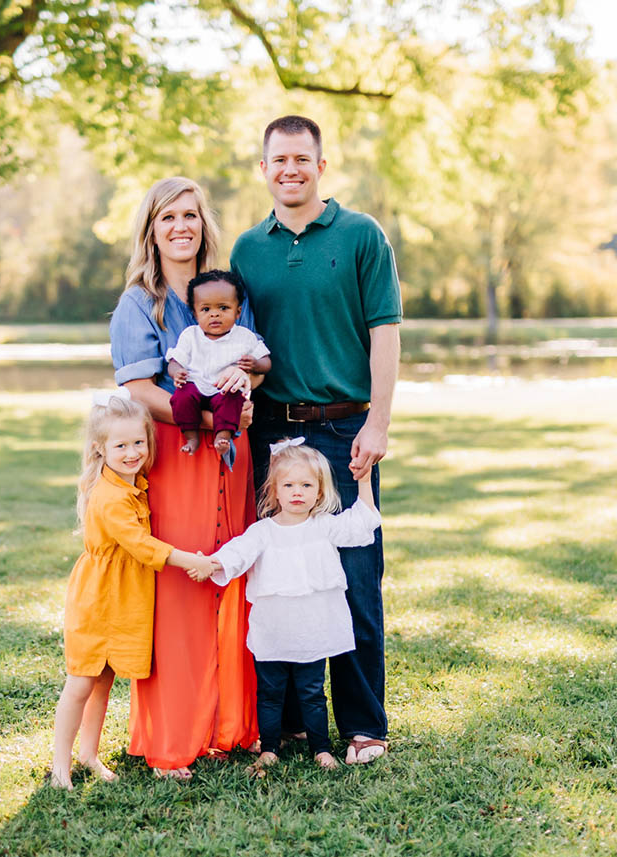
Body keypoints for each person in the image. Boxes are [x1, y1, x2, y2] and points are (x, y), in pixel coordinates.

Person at [230, 115, 401, 765]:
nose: (290, 169)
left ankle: (363, 726)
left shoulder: (361, 236)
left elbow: (384, 331)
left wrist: (378, 422)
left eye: (302, 158)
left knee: (353, 578)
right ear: (264, 168)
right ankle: (297, 723)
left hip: (342, 428)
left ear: (321, 166)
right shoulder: (248, 249)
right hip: (272, 433)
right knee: (281, 577)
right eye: (278, 160)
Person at [109, 176, 261, 778]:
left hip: (232, 454)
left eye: (191, 216)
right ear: (151, 228)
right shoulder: (137, 304)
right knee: (180, 586)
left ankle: (232, 726)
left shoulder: (226, 291)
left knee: (234, 578)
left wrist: (247, 393)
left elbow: (252, 358)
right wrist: (206, 414)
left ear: (205, 225)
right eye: (167, 217)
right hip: (176, 454)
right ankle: (174, 735)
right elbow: (140, 389)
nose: (181, 227)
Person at [49, 391, 218, 790]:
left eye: (138, 442)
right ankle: (60, 765)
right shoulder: (110, 497)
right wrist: (191, 560)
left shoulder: (133, 483)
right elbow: (142, 546)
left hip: (123, 597)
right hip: (99, 600)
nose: (131, 452)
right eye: (120, 445)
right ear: (100, 449)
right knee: (80, 682)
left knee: (103, 681)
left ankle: (88, 753)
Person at [194, 438, 380, 773]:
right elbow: (237, 553)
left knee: (312, 692)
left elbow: (361, 524)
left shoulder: (324, 527)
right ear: (275, 491)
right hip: (273, 630)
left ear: (319, 492)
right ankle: (269, 748)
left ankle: (321, 749)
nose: (298, 492)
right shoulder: (263, 531)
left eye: (307, 485)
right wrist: (212, 564)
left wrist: (364, 481)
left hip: (312, 631)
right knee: (270, 693)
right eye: (289, 485)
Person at [166, 269, 272, 457]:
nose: (214, 315)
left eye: (223, 308)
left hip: (224, 389)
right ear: (195, 313)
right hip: (195, 385)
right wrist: (177, 372)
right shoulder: (190, 336)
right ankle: (191, 437)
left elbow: (266, 362)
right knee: (181, 398)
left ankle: (223, 436)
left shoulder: (244, 337)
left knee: (233, 400)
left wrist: (255, 364)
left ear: (238, 311)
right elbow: (174, 361)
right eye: (206, 309)